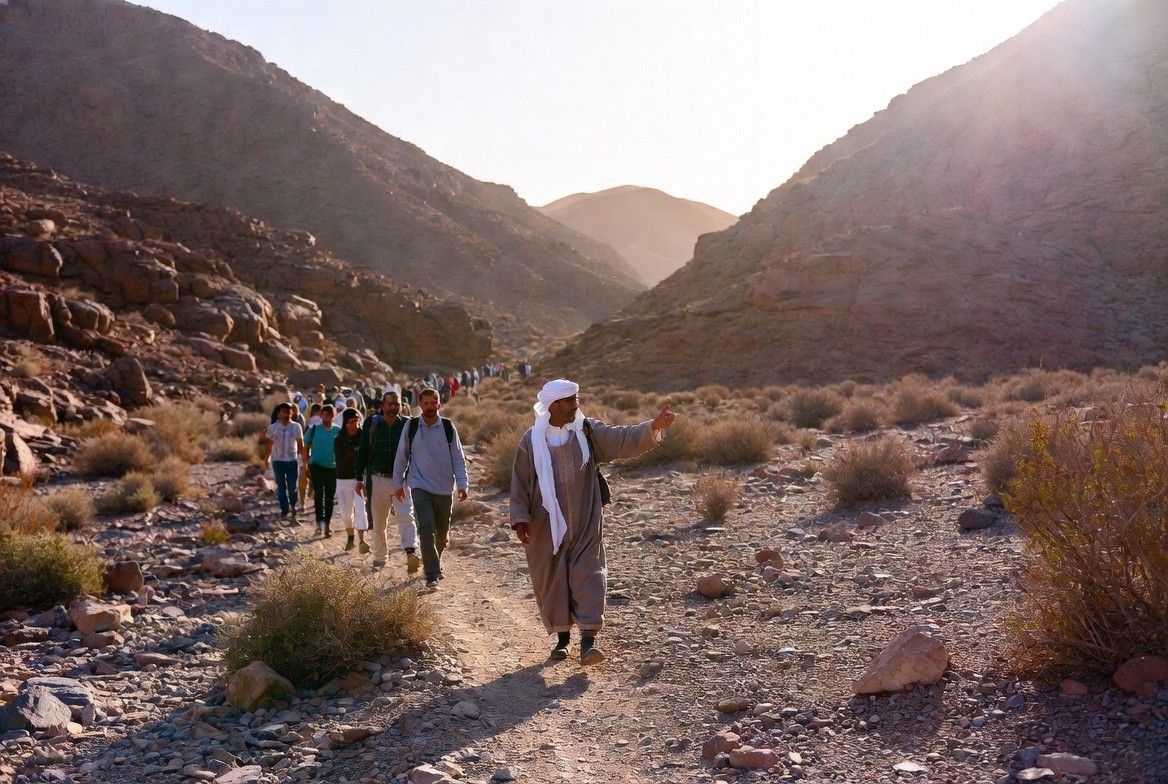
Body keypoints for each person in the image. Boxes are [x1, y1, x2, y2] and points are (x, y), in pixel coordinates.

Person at [510, 379, 675, 665]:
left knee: (589, 574)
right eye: (571, 401)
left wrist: (653, 427)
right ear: (554, 405)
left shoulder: (586, 431)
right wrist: (520, 519)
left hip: (586, 518)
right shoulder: (531, 441)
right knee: (553, 579)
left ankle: (588, 642)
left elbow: (621, 438)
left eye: (576, 400)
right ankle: (562, 641)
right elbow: (520, 482)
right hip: (545, 524)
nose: (576, 406)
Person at [392, 388, 469, 590]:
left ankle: (434, 560)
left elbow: (458, 458)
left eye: (433, 403)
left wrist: (462, 484)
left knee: (442, 534)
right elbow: (401, 456)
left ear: (439, 403)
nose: (430, 407)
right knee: (426, 527)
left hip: (444, 487)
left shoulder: (447, 427)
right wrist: (398, 483)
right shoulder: (412, 426)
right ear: (420, 405)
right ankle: (431, 574)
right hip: (419, 485)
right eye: (426, 403)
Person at [355, 391, 421, 574]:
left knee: (406, 516)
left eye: (396, 404)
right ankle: (380, 557)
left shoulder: (408, 424)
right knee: (379, 520)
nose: (393, 407)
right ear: (382, 405)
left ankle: (411, 552)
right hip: (377, 479)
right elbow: (363, 451)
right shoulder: (372, 423)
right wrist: (359, 478)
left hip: (401, 480)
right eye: (390, 404)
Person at [260, 403, 305, 522]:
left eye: (289, 411)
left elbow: (300, 445)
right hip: (278, 461)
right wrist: (266, 460)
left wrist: (301, 462)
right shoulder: (272, 428)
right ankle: (284, 510)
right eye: (284, 411)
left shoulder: (296, 427)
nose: (286, 414)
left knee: (292, 486)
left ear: (292, 413)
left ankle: (294, 506)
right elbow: (268, 445)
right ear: (278, 414)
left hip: (292, 461)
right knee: (281, 487)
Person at [334, 408, 370, 553]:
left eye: (356, 421)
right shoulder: (339, 439)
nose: (354, 424)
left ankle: (362, 540)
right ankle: (350, 536)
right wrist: (352, 452)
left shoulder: (363, 436)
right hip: (343, 478)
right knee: (345, 512)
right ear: (345, 423)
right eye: (351, 421)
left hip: (359, 478)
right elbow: (340, 461)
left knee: (361, 509)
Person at [303, 404, 340, 537]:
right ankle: (319, 524)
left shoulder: (338, 430)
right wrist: (306, 465)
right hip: (316, 466)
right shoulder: (314, 429)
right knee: (319, 495)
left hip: (332, 468)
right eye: (324, 414)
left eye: (330, 414)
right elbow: (305, 447)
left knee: (329, 498)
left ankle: (327, 526)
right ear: (320, 415)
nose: (327, 416)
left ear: (333, 415)